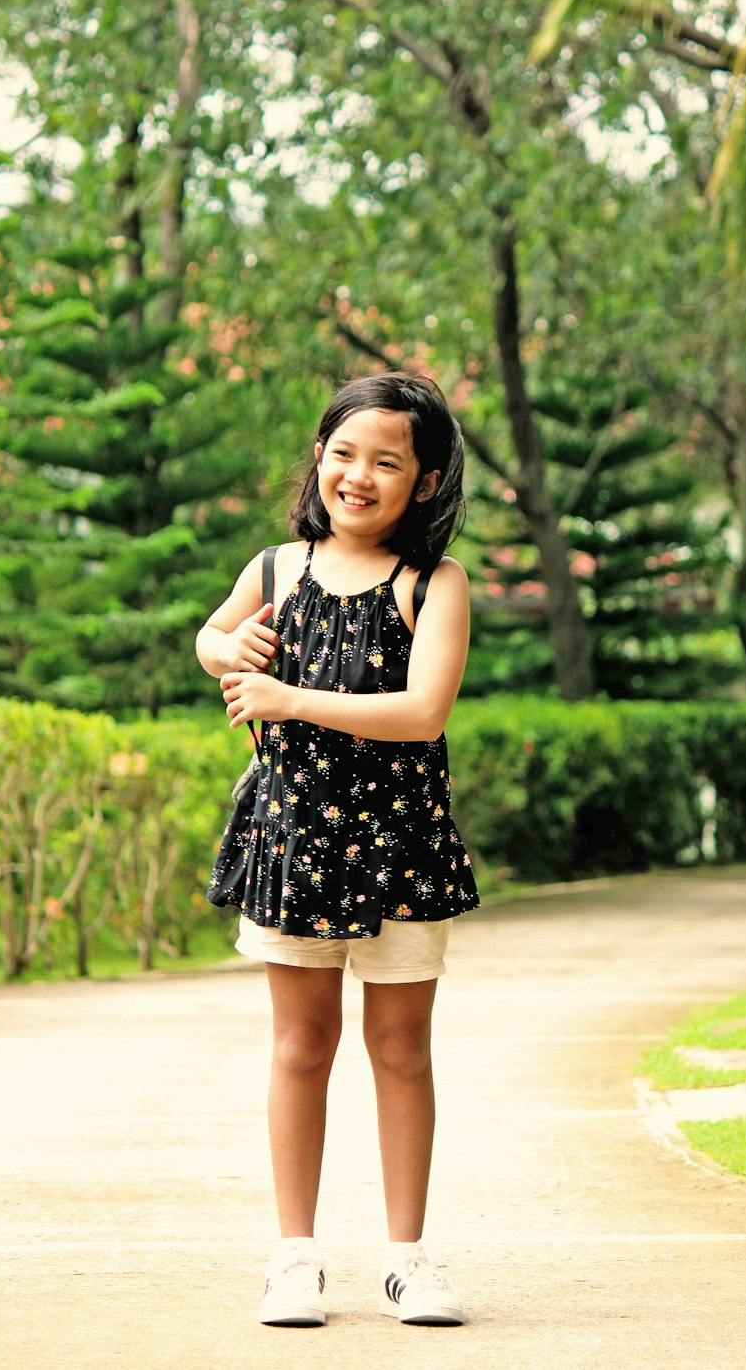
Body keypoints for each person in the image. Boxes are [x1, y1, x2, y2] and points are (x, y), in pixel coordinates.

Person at [195, 372, 479, 1329]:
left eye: (387, 461)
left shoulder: (432, 584)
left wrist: (285, 699)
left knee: (401, 1051)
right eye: (344, 453)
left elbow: (423, 712)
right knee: (299, 1046)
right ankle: (295, 1260)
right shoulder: (277, 568)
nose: (359, 476)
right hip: (293, 844)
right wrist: (225, 655)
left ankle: (408, 1261)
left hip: (398, 848)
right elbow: (211, 634)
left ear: (426, 483)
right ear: (319, 457)